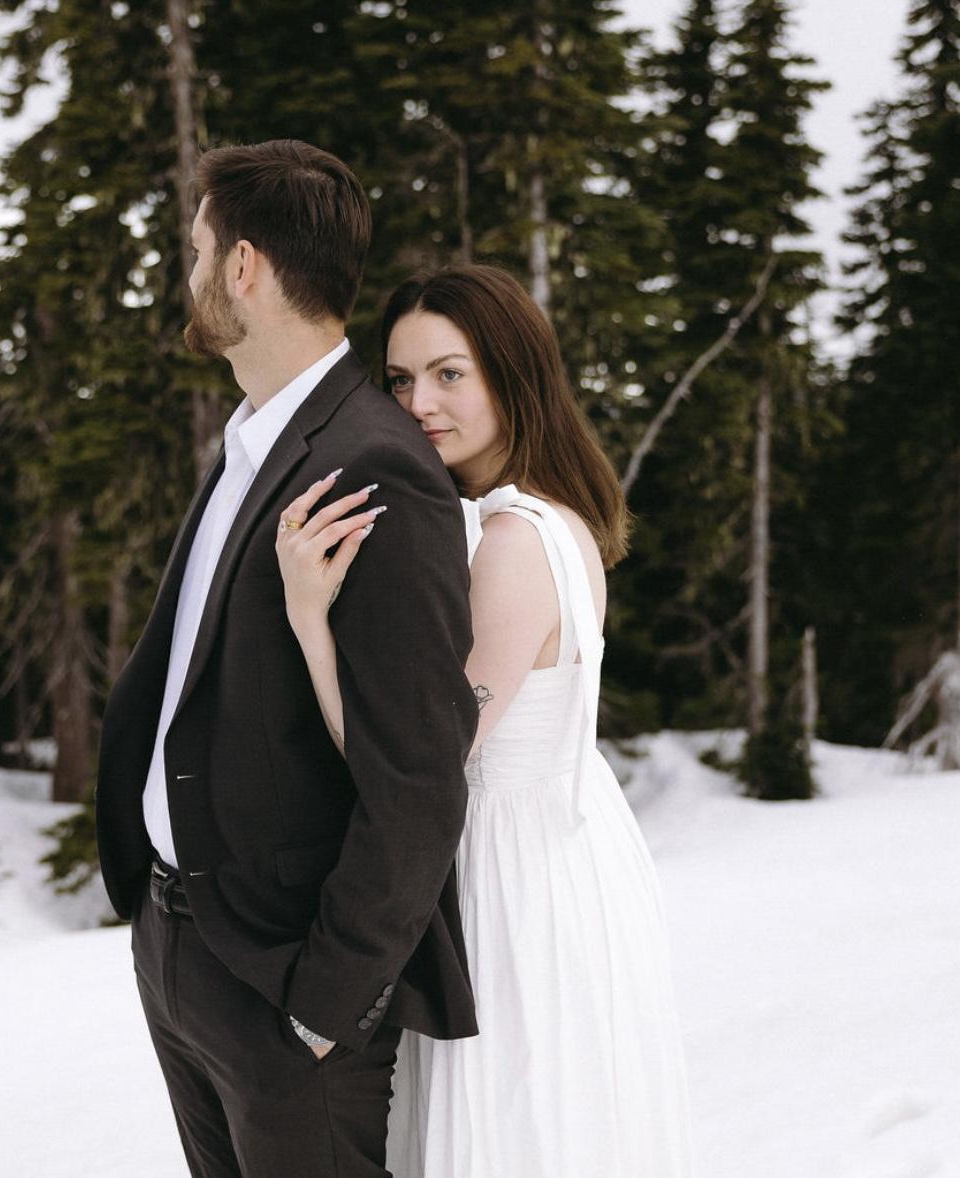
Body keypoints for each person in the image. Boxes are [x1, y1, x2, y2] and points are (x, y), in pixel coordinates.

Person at [94, 141, 480, 1178]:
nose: (188, 273)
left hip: (284, 989)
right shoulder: (254, 439)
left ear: (243, 267)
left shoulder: (377, 464)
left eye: (196, 251)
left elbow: (420, 777)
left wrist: (326, 1002)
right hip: (181, 947)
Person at [276, 264, 696, 1178]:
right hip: (562, 849)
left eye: (449, 374)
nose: (418, 403)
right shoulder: (552, 518)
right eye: (400, 379)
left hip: (513, 877)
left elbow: (416, 763)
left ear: (513, 375)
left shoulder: (512, 542)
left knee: (510, 1125)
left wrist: (308, 618)